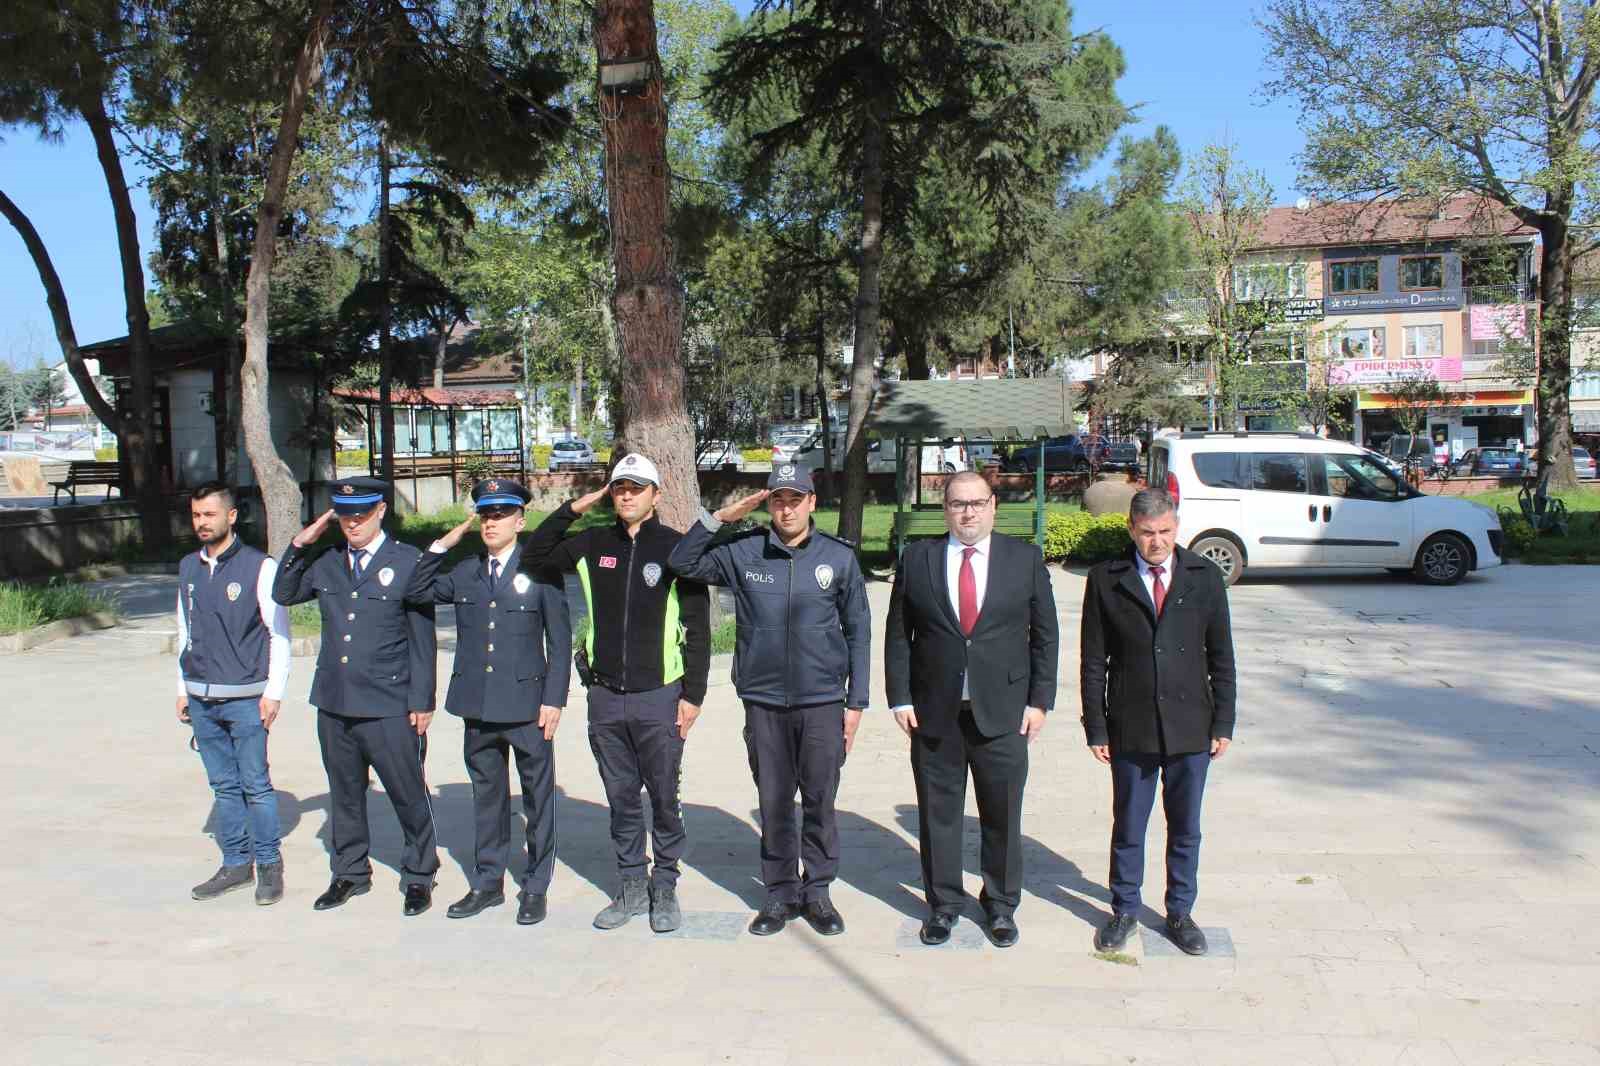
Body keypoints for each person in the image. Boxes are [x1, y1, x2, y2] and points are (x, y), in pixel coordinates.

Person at [669, 464, 870, 938]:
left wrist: (856, 702)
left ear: (812, 502)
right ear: (768, 502)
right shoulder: (743, 552)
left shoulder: (838, 558)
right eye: (778, 499)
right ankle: (780, 893)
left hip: (822, 701)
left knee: (820, 799)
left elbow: (859, 632)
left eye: (796, 498)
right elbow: (683, 560)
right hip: (763, 701)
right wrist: (722, 517)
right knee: (775, 800)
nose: (787, 508)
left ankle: (817, 891)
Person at [517, 453, 710, 933]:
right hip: (605, 696)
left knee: (664, 796)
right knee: (621, 798)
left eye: (637, 488)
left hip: (660, 696)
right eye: (619, 487)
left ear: (656, 496)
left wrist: (694, 695)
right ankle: (630, 886)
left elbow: (699, 624)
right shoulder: (590, 543)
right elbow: (534, 556)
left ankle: (664, 885)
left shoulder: (675, 547)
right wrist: (574, 508)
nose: (627, 495)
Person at [884, 470, 1059, 948]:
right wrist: (899, 696)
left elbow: (1045, 636)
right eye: (958, 503)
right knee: (938, 814)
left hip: (1004, 712)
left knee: (1002, 813)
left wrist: (1040, 701)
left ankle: (1000, 905)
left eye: (977, 503)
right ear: (945, 509)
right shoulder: (918, 558)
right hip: (934, 712)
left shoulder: (1023, 559)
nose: (968, 512)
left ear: (993, 505)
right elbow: (899, 634)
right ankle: (944, 904)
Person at [272, 476, 442, 917]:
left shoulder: (407, 562)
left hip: (388, 703)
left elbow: (421, 639)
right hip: (335, 701)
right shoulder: (327, 562)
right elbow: (284, 592)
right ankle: (350, 872)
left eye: (361, 514)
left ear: (381, 510)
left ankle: (420, 874)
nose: (352, 523)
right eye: (345, 515)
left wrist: (422, 700)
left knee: (407, 793)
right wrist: (300, 543)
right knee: (343, 794)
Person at [1079, 487, 1236, 956]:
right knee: (1129, 823)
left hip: (1192, 724)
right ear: (1131, 529)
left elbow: (1221, 656)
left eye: (1165, 532)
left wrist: (1223, 722)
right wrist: (1097, 727)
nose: (1157, 542)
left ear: (1177, 528)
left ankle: (1180, 911)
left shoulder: (1204, 577)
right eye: (1147, 533)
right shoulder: (1107, 579)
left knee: (1185, 825)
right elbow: (1093, 661)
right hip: (1132, 724)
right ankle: (1124, 907)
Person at [424, 478, 570, 926]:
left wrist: (554, 699)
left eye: (501, 514)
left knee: (537, 799)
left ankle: (535, 885)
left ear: (520, 521)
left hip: (528, 705)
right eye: (485, 514)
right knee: (487, 798)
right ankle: (487, 883)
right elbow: (416, 588)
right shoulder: (465, 572)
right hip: (478, 706)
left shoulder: (539, 568)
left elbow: (559, 640)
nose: (491, 522)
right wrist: (438, 547)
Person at [178, 481, 292, 906]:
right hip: (200, 698)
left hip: (246, 697)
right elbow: (184, 630)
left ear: (231, 516)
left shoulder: (259, 567)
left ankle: (268, 865)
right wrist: (181, 688)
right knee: (223, 787)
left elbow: (278, 632)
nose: (201, 523)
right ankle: (235, 863)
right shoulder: (189, 567)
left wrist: (274, 693)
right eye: (195, 515)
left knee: (255, 786)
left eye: (209, 514)